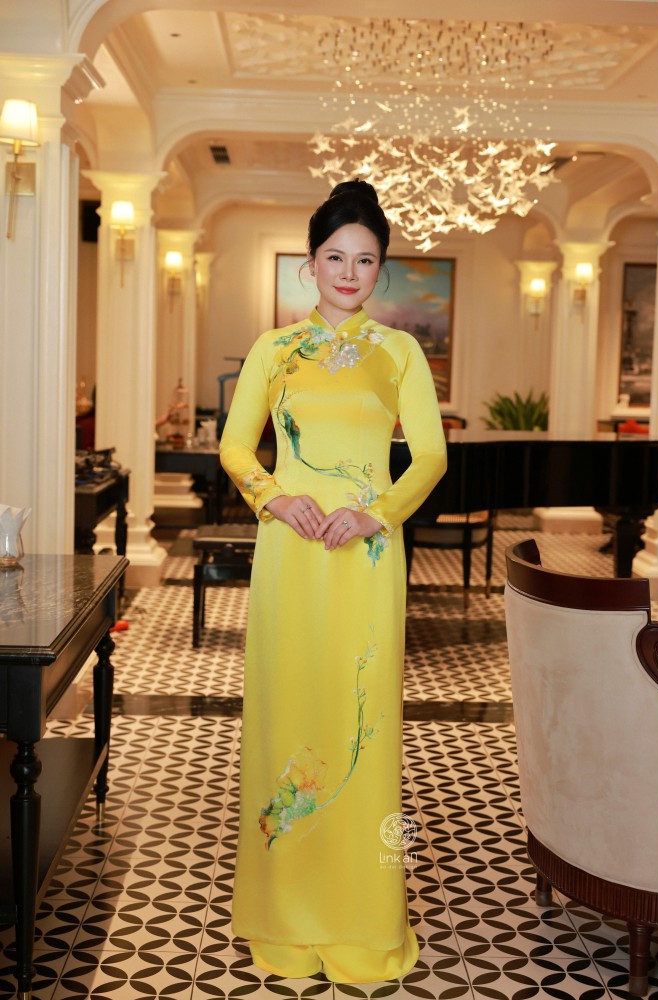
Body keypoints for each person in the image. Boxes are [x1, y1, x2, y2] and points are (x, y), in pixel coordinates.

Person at [219, 179, 447, 983]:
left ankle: (361, 918)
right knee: (286, 712)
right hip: (289, 555)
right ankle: (283, 912)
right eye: (334, 257)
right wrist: (276, 499)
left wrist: (374, 515)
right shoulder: (272, 349)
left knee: (363, 723)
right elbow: (235, 448)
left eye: (365, 260)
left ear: (380, 270)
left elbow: (430, 457)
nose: (349, 273)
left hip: (365, 563)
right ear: (309, 264)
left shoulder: (400, 353)